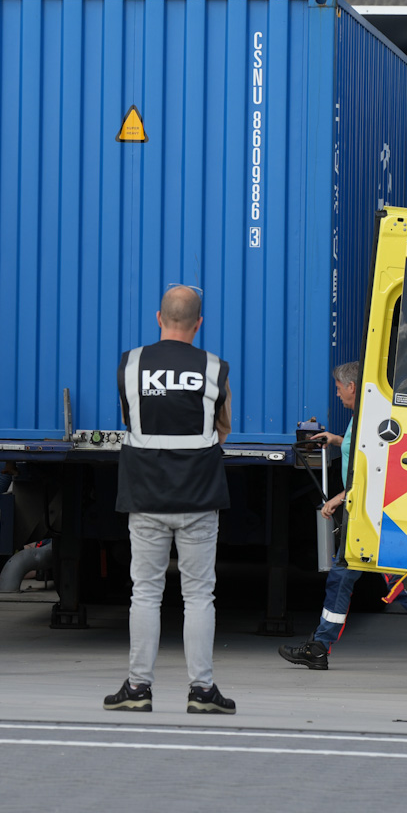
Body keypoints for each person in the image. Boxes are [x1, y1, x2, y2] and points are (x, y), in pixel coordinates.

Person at [104, 285, 236, 715]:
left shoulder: (131, 364)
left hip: (146, 492)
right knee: (199, 595)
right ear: (199, 324)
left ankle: (138, 688)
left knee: (145, 593)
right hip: (199, 494)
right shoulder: (215, 368)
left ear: (159, 318)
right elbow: (223, 428)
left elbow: (129, 418)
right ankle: (202, 692)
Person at [278, 362, 407, 671]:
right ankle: (320, 647)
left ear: (352, 387)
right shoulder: (364, 417)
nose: (337, 394)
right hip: (365, 512)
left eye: (339, 388)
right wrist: (337, 440)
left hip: (369, 513)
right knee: (358, 577)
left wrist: (340, 497)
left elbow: (376, 471)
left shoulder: (371, 418)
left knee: (381, 577)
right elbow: (361, 449)